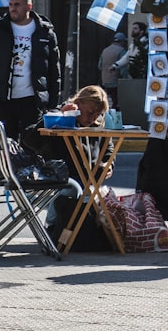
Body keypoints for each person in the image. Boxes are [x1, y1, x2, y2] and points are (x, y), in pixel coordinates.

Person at [0, 0, 61, 140]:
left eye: (17, 4)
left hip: (33, 97)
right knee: (9, 140)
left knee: (32, 140)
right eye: (11, 4)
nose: (13, 8)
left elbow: (54, 67)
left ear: (28, 6)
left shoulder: (45, 31)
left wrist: (53, 100)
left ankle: (32, 164)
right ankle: (12, 164)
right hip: (6, 95)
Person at [21, 85, 113, 229]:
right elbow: (29, 140)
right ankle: (52, 228)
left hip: (89, 180)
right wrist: (58, 118)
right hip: (59, 178)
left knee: (106, 199)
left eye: (98, 114)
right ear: (78, 103)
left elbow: (109, 147)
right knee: (72, 188)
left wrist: (108, 164)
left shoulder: (97, 126)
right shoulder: (60, 115)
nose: (93, 118)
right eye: (90, 112)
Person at [98, 32, 127, 108]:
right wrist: (124, 79)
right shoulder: (122, 51)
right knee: (116, 102)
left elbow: (99, 66)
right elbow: (123, 68)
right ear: (122, 41)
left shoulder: (105, 50)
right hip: (116, 82)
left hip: (105, 81)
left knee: (106, 101)